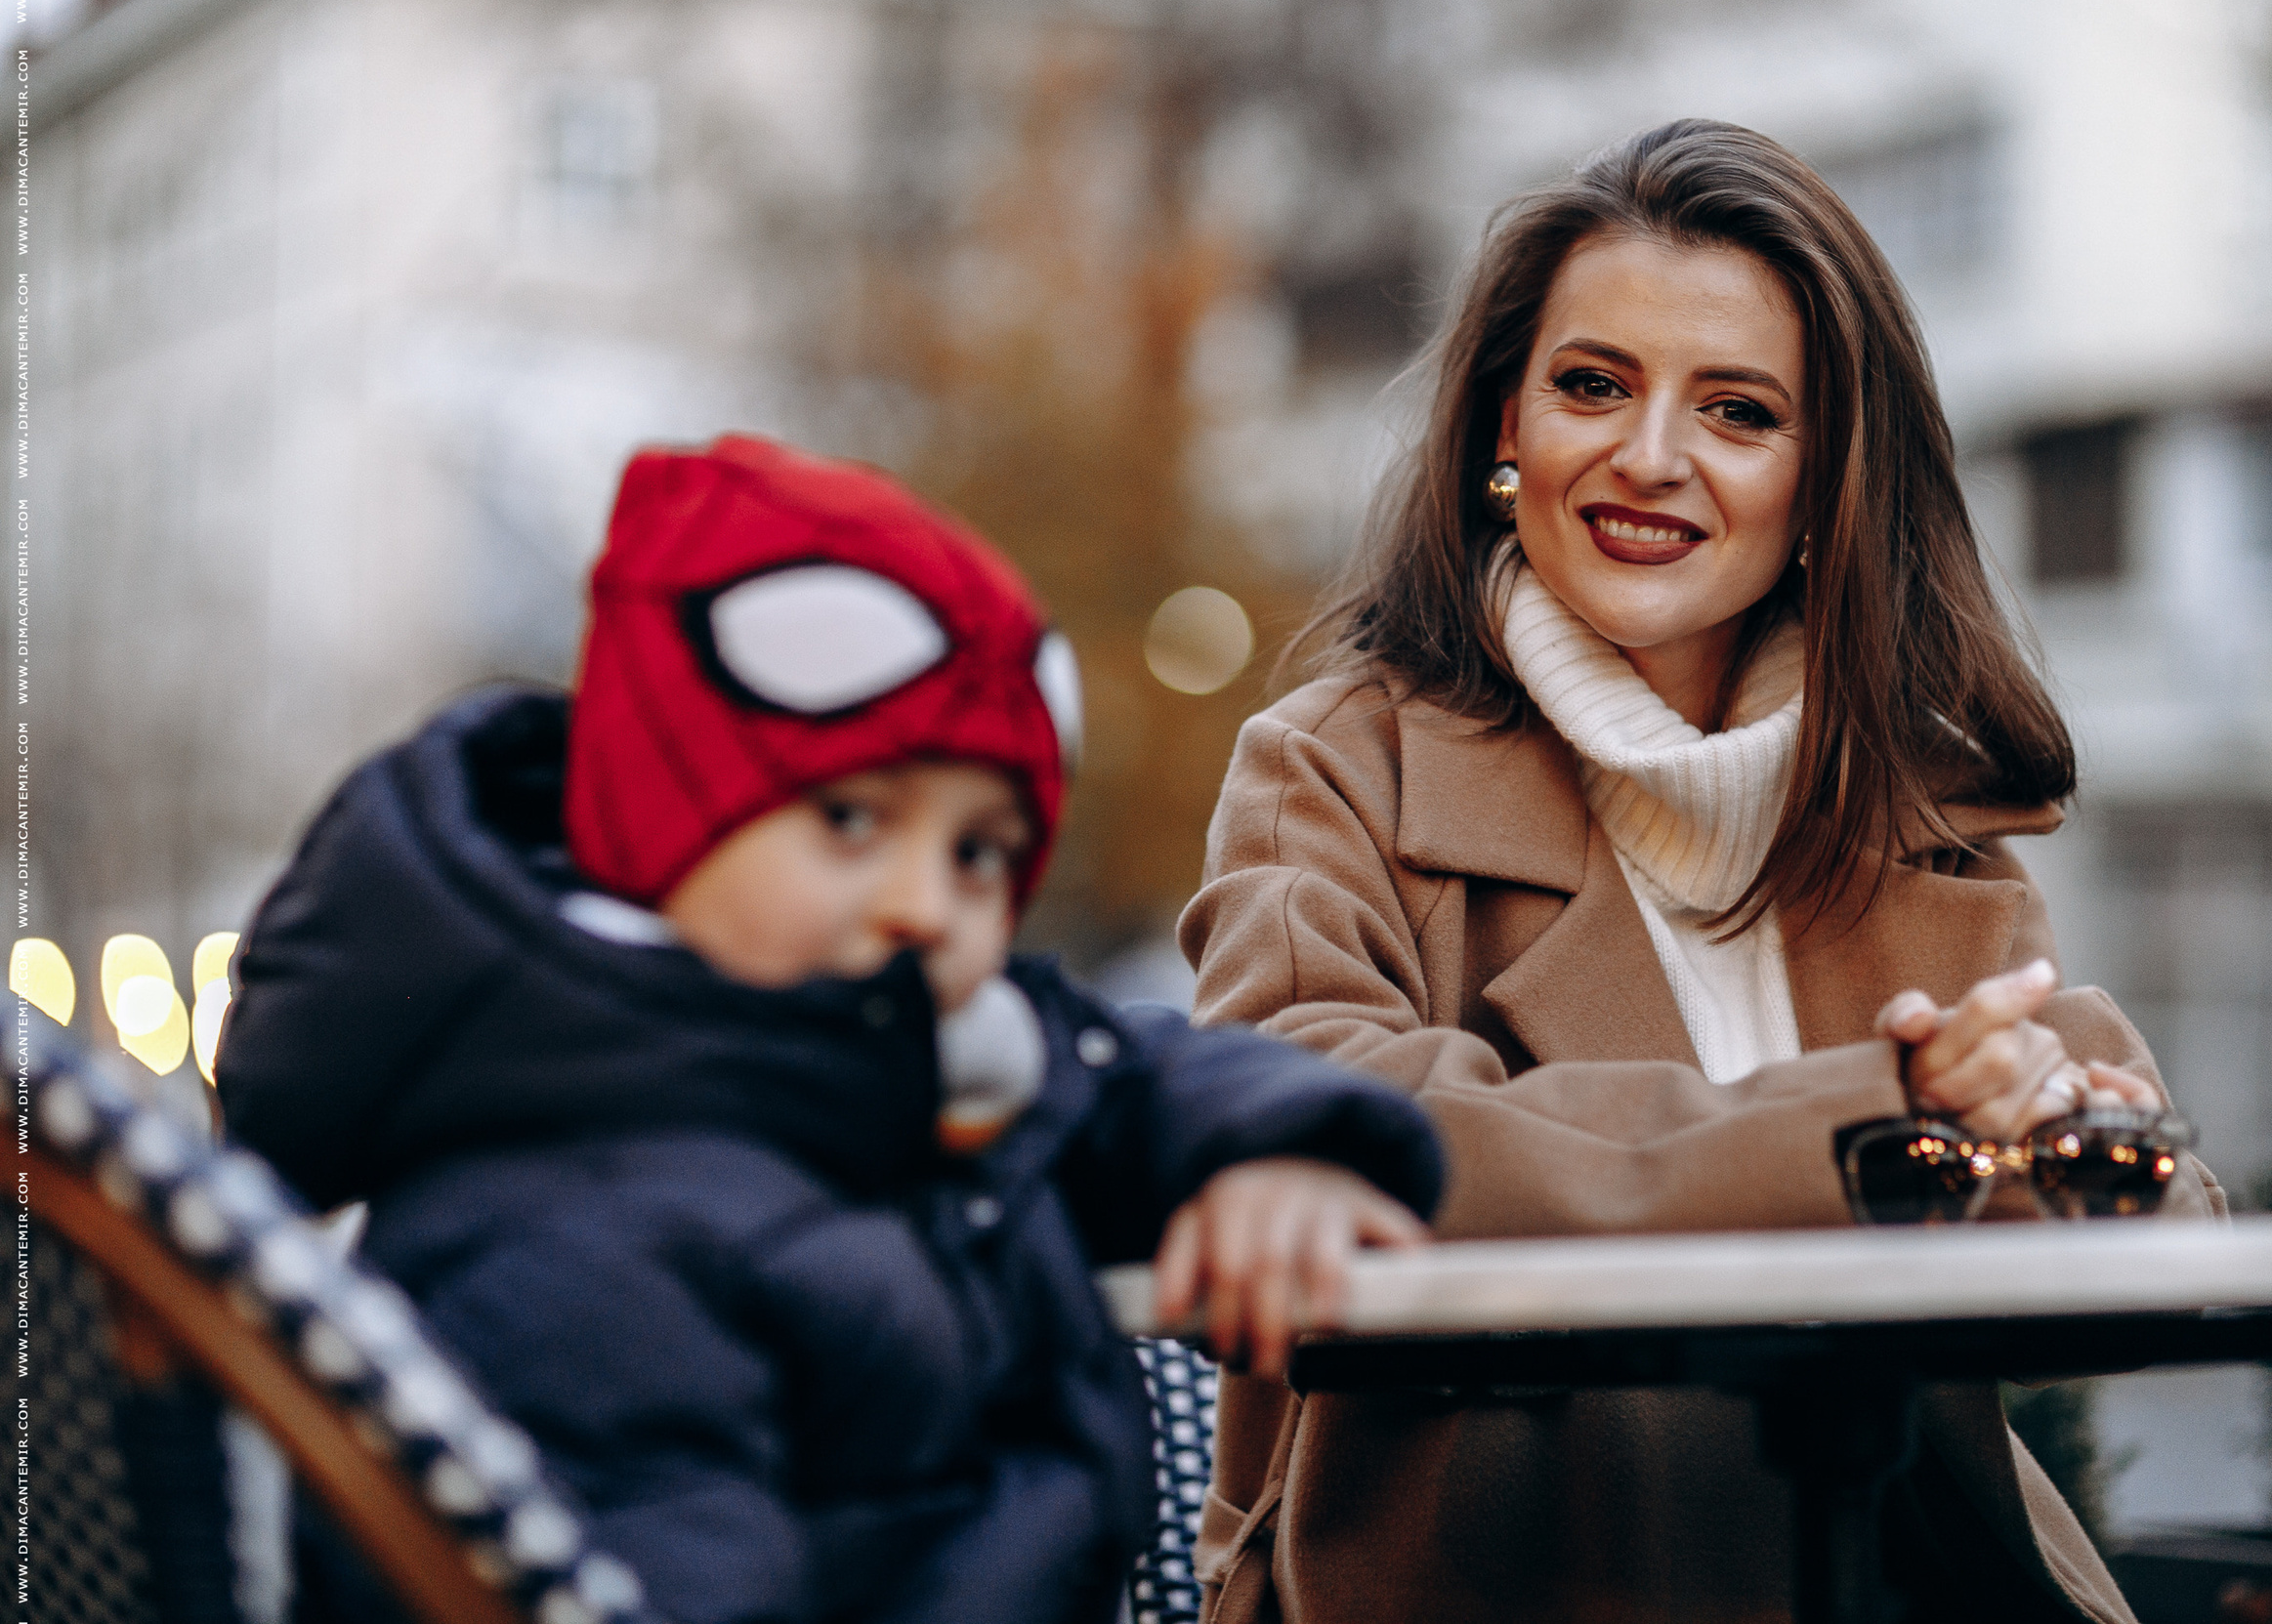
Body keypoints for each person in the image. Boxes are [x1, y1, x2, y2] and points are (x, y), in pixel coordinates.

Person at [1179, 120, 2227, 1624]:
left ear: (1826, 486)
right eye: (1592, 384)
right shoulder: (1335, 760)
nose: (1649, 455)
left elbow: (2130, 1274)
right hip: (1486, 1577)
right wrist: (1866, 1123)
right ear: (1503, 428)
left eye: (1737, 410)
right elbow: (1307, 1130)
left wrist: (2061, 1126)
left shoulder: (1913, 794)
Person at [214, 435, 1445, 1624]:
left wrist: (1275, 1151)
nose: (922, 903)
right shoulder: (570, 1236)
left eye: (976, 851)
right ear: (656, 824)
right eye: (852, 819)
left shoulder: (882, 1072)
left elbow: (1110, 1069)